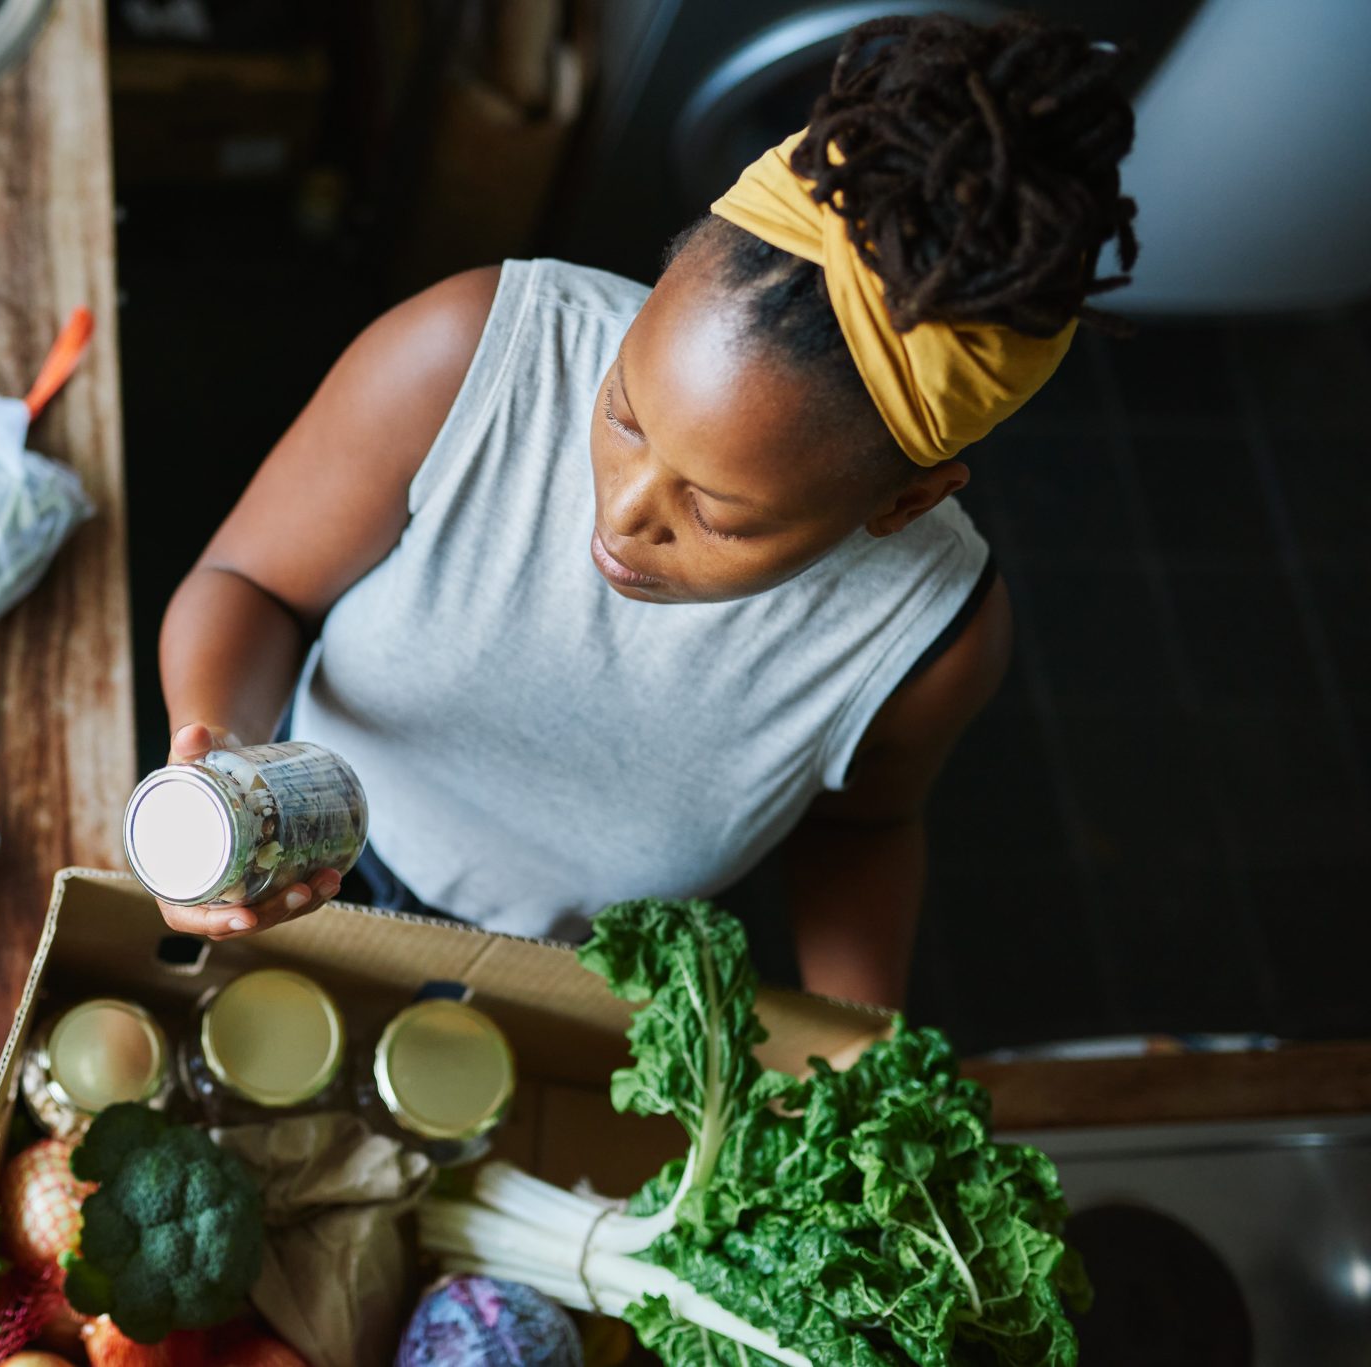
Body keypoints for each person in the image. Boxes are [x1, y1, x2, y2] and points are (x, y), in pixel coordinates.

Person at [150, 13, 1138, 1006]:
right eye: (621, 410)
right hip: (302, 844)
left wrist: (863, 1042)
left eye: (720, 515)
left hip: (564, 982)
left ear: (901, 501)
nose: (619, 514)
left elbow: (861, 825)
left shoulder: (929, 637)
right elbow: (249, 584)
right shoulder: (470, 353)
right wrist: (217, 749)